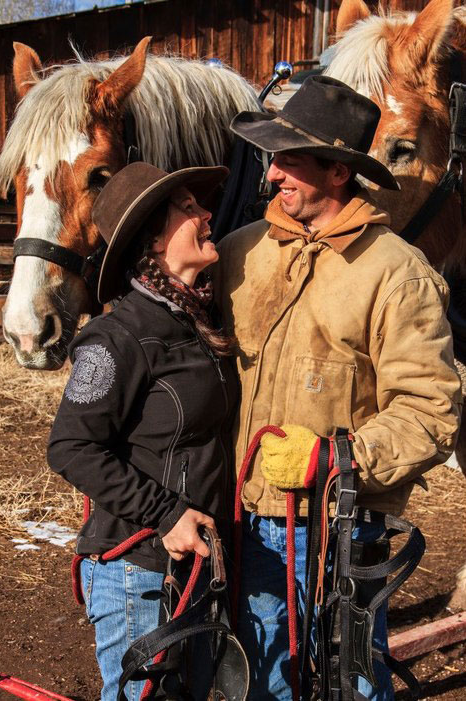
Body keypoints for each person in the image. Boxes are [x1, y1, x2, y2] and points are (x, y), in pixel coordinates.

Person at [213, 75, 462, 700]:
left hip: (340, 526)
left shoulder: (397, 274)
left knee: (353, 681)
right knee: (261, 677)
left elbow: (430, 409)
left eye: (291, 163)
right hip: (239, 517)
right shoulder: (239, 253)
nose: (272, 177)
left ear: (338, 173)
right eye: (273, 162)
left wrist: (337, 459)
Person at [47, 162, 239, 701]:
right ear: (153, 239)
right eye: (187, 208)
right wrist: (165, 513)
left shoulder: (195, 319)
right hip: (140, 572)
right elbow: (70, 448)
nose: (206, 213)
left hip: (190, 564)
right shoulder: (116, 337)